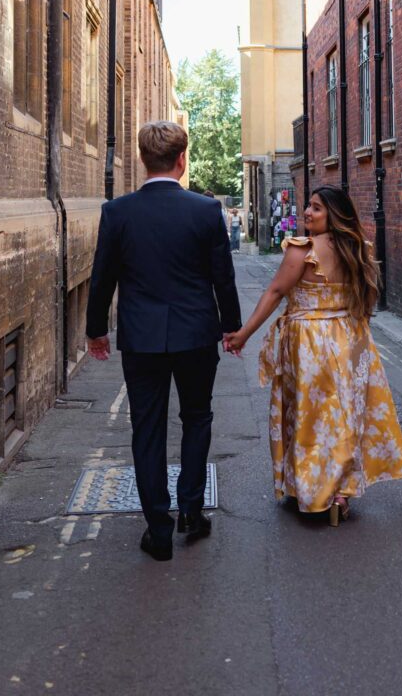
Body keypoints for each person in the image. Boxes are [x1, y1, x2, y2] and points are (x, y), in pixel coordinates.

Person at [85, 121, 242, 561]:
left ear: (141, 159)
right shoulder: (205, 210)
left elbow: (102, 279)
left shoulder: (118, 212)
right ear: (181, 160)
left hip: (142, 337)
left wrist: (96, 329)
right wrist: (232, 327)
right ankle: (190, 510)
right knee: (197, 417)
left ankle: (158, 528)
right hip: (195, 334)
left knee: (147, 428)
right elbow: (222, 278)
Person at [225, 186, 402, 526]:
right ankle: (342, 490)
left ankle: (315, 493)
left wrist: (243, 334)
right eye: (308, 206)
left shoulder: (302, 250)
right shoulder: (356, 249)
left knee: (311, 419)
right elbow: (366, 300)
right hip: (352, 338)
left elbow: (275, 292)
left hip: (309, 342)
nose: (307, 213)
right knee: (345, 415)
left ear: (333, 216)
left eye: (316, 209)